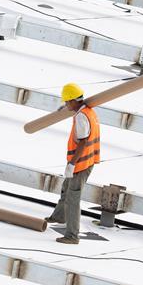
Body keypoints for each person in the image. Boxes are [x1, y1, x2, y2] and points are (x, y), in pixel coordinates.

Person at [47, 83, 101, 245]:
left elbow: (83, 142)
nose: (66, 104)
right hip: (86, 160)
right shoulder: (87, 110)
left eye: (67, 102)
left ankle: (72, 235)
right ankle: (59, 216)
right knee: (66, 188)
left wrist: (72, 163)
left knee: (73, 197)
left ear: (73, 101)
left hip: (81, 164)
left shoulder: (81, 117)